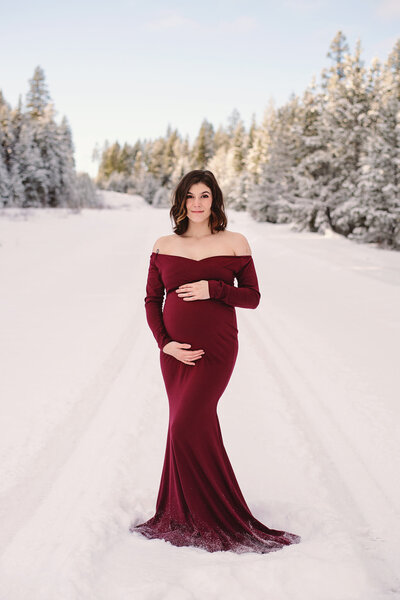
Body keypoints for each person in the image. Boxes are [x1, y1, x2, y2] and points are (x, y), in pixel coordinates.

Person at [129, 169, 301, 554]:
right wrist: (164, 344)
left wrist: (215, 288)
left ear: (215, 200)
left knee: (188, 422)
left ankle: (215, 513)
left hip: (217, 348)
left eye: (205, 195)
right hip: (175, 353)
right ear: (180, 202)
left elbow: (252, 297)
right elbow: (151, 300)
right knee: (184, 425)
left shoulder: (236, 242)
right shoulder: (163, 245)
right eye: (190, 196)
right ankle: (182, 510)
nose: (197, 203)